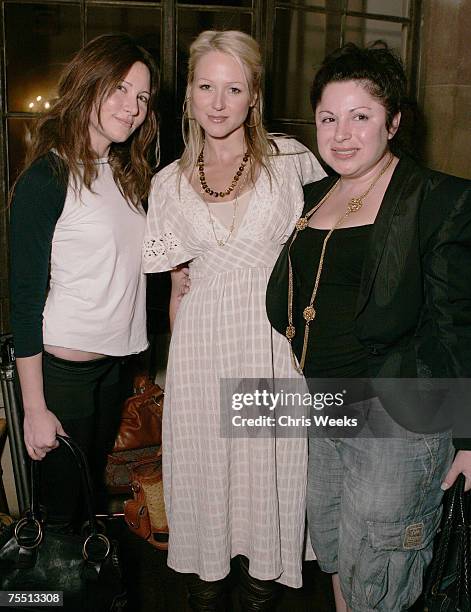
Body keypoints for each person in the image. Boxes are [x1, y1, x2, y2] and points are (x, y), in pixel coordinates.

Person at [266, 42, 471, 611]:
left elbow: (458, 325)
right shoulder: (313, 196)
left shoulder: (437, 198)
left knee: (381, 569)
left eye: (361, 116)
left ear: (394, 122)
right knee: (335, 551)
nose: (341, 133)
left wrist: (469, 438)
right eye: (329, 118)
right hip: (322, 405)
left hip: (397, 421)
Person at [143, 29, 325, 611]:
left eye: (233, 88)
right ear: (190, 94)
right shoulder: (167, 184)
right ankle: (205, 586)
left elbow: (334, 250)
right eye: (205, 86)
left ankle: (261, 589)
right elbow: (176, 287)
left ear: (254, 96)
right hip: (200, 351)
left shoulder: (293, 161)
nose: (218, 102)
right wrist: (176, 379)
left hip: (273, 348)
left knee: (267, 478)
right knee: (205, 480)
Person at [9, 34, 159, 527]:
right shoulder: (47, 179)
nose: (132, 107)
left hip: (111, 368)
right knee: (61, 519)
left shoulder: (122, 172)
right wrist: (34, 408)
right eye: (119, 88)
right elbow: (26, 302)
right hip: (63, 374)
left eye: (141, 96)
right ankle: (39, 600)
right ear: (87, 85)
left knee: (88, 501)